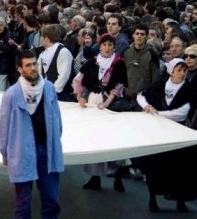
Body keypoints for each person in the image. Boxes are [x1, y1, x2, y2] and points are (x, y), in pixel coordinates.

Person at [0, 50, 64, 219]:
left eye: (35, 64)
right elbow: (4, 128)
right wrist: (6, 154)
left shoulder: (49, 88)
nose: (33, 68)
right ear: (20, 69)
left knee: (51, 200)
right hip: (22, 152)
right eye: (28, 65)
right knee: (23, 204)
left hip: (46, 151)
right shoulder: (11, 94)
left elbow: (57, 119)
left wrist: (56, 142)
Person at [136, 58, 197, 212]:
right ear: (171, 71)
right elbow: (141, 95)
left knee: (180, 168)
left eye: (184, 71)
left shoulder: (188, 89)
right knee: (154, 165)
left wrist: (158, 113)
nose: (182, 74)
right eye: (179, 70)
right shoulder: (161, 84)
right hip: (158, 132)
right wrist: (147, 106)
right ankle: (153, 198)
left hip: (178, 132)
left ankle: (180, 200)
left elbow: (182, 113)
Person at [73, 33, 130, 192]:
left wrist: (107, 102)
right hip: (93, 101)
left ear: (114, 46)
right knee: (95, 140)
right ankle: (95, 177)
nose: (107, 47)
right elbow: (80, 80)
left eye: (110, 44)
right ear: (100, 46)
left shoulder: (118, 63)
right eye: (104, 44)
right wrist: (80, 97)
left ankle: (118, 176)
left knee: (113, 139)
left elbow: (119, 86)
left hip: (109, 103)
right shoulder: (92, 62)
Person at [38, 24, 74, 101]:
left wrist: (52, 92)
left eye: (42, 36)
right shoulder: (42, 54)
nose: (41, 39)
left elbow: (63, 76)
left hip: (60, 95)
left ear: (47, 39)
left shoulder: (63, 52)